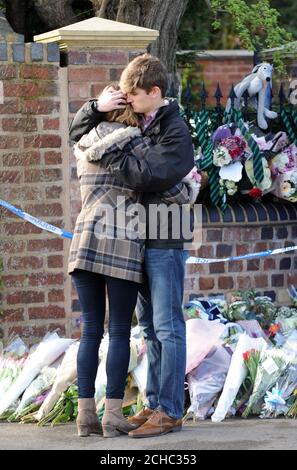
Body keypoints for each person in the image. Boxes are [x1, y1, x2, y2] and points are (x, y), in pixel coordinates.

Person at [69, 54, 196, 438]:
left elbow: (153, 174)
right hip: (137, 233)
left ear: (154, 93)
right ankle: (154, 402)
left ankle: (170, 410)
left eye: (133, 95)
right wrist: (95, 107)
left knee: (167, 324)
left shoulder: (175, 128)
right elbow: (80, 133)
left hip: (165, 230)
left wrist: (112, 155)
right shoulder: (138, 123)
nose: (128, 100)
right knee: (150, 328)